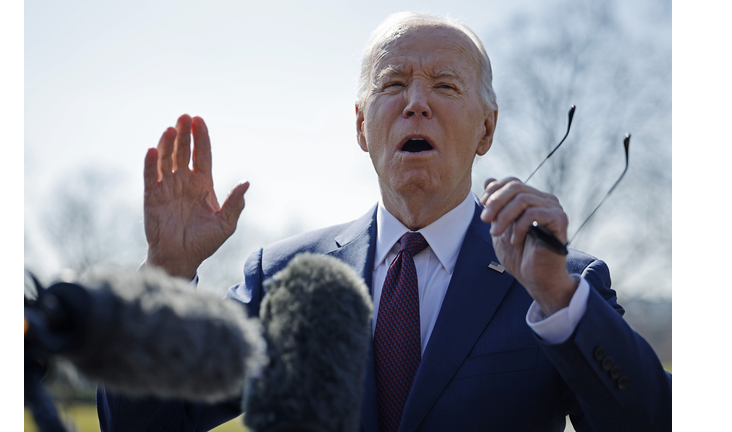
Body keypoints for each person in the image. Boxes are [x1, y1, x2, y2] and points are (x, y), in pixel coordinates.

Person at [97, 11, 671, 432]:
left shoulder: (560, 282)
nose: (416, 102)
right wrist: (166, 274)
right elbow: (143, 422)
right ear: (361, 126)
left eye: (445, 85)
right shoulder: (282, 276)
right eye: (393, 84)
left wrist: (559, 298)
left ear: (487, 129)